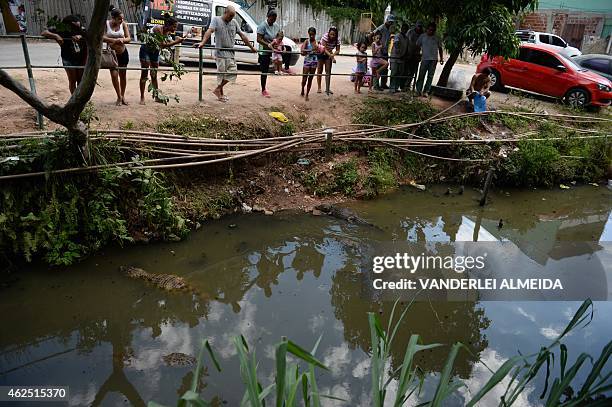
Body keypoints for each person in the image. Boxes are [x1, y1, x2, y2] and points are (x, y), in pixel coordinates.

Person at [197, 6, 257, 102]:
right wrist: (203, 42)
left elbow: (242, 36)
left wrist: (251, 47)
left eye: (233, 16)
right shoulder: (216, 20)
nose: (231, 18)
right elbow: (209, 31)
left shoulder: (234, 22)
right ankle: (220, 94)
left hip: (230, 53)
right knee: (222, 75)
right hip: (220, 53)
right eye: (230, 16)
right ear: (225, 12)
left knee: (233, 72)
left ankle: (218, 89)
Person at [139, 14, 184, 105]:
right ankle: (142, 97)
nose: (175, 29)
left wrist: (179, 40)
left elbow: (168, 42)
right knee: (144, 73)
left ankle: (156, 96)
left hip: (155, 52)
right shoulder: (158, 29)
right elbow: (162, 45)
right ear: (168, 25)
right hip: (146, 50)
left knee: (154, 75)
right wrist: (177, 42)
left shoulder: (167, 32)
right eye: (174, 26)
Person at [42, 15, 87, 94]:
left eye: (78, 26)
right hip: (68, 58)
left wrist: (81, 36)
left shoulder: (82, 29)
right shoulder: (61, 30)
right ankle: (74, 100)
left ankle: (80, 98)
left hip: (81, 58)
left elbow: (89, 35)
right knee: (72, 80)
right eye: (75, 26)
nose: (77, 28)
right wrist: (56, 36)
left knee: (81, 79)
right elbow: (44, 32)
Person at [104, 5, 131, 106]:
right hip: (111, 54)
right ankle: (119, 96)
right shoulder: (106, 24)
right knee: (114, 76)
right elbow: (101, 37)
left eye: (122, 18)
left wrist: (122, 40)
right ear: (113, 18)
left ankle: (122, 96)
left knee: (123, 76)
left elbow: (129, 38)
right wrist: (113, 41)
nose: (121, 20)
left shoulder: (123, 24)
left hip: (123, 53)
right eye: (119, 19)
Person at [415, 22, 444, 96]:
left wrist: (441, 58)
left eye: (432, 30)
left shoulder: (437, 37)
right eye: (429, 30)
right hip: (424, 59)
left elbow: (440, 48)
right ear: (427, 29)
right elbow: (417, 46)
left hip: (433, 60)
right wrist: (418, 54)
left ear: (434, 31)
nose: (431, 31)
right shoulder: (422, 36)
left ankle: (426, 91)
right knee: (421, 75)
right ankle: (418, 91)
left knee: (430, 76)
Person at [257, 9, 280, 98]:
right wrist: (268, 45)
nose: (272, 21)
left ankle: (284, 68)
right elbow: (258, 39)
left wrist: (277, 42)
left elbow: (278, 35)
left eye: (274, 19)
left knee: (277, 63)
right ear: (268, 17)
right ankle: (263, 89)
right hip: (264, 51)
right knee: (264, 70)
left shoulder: (276, 25)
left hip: (273, 49)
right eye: (271, 19)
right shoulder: (262, 26)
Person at [368, 14, 395, 89]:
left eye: (391, 22)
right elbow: (371, 35)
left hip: (385, 50)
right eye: (389, 22)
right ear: (387, 21)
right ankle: (376, 85)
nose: (390, 23)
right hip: (380, 51)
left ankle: (383, 84)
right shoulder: (381, 27)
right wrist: (373, 45)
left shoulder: (389, 29)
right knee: (378, 67)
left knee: (385, 68)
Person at [316, 26, 341, 96]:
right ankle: (319, 87)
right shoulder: (325, 37)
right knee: (320, 70)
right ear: (328, 33)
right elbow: (324, 48)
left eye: (334, 34)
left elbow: (338, 50)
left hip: (329, 54)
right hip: (321, 53)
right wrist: (331, 56)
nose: (332, 36)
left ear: (336, 35)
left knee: (328, 72)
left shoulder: (337, 39)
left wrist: (332, 55)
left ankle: (327, 88)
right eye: (331, 34)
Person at [404, 21, 424, 92]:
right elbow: (406, 41)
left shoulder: (422, 34)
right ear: (416, 26)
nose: (419, 28)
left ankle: (408, 85)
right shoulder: (410, 32)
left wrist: (420, 55)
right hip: (409, 54)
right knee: (406, 71)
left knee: (413, 72)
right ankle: (404, 86)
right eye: (418, 26)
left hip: (416, 55)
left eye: (420, 26)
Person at [300, 27, 318, 101]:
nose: (311, 36)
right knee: (304, 78)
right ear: (308, 34)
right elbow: (302, 50)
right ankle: (302, 89)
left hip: (314, 61)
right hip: (307, 61)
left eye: (313, 35)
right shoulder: (306, 41)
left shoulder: (317, 42)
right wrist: (310, 50)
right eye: (310, 34)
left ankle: (307, 94)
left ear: (315, 34)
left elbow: (320, 50)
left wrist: (316, 51)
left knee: (310, 78)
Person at [390, 23, 409, 93]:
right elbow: (396, 44)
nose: (404, 30)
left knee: (399, 73)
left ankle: (396, 87)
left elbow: (407, 47)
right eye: (403, 29)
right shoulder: (398, 35)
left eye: (406, 29)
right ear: (401, 29)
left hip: (402, 58)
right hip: (395, 57)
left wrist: (404, 55)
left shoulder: (406, 38)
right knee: (394, 72)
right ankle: (392, 88)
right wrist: (399, 53)